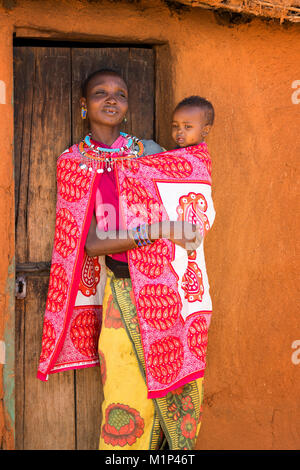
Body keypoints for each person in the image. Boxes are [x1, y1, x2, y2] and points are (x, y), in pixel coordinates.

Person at [37, 69, 208, 451]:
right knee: (125, 394)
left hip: (171, 292)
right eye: (100, 93)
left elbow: (191, 193)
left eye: (120, 94)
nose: (111, 99)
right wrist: (161, 230)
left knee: (180, 390)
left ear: (129, 106)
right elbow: (93, 243)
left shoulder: (150, 153)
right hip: (122, 294)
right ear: (84, 105)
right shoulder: (74, 162)